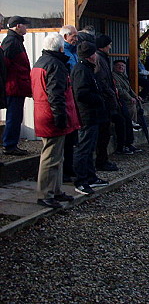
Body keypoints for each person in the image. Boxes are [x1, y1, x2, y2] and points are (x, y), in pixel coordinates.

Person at [31, 33, 80, 208]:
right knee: (51, 157)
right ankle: (45, 193)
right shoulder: (56, 65)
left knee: (56, 156)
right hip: (52, 116)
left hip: (43, 113)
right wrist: (61, 118)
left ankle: (56, 190)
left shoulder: (40, 62)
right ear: (60, 47)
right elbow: (56, 94)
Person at [71, 41, 109, 195]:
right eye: (93, 54)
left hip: (93, 114)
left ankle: (90, 177)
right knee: (84, 148)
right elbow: (81, 93)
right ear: (89, 56)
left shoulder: (87, 68)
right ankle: (80, 181)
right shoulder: (81, 70)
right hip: (86, 114)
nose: (96, 56)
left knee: (90, 147)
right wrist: (98, 98)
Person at [1, 16, 32, 156]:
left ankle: (11, 143)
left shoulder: (15, 41)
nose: (26, 28)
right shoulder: (12, 42)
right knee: (14, 117)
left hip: (17, 86)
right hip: (14, 87)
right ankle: (9, 145)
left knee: (15, 117)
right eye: (25, 25)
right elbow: (4, 64)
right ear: (18, 26)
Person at [93, 35, 121, 171]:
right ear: (103, 45)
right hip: (104, 102)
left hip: (106, 100)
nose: (110, 47)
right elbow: (101, 80)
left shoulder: (102, 58)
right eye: (109, 44)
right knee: (103, 134)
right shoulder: (99, 59)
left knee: (105, 133)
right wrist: (110, 93)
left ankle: (103, 159)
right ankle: (101, 161)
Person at [59, 24, 79, 181]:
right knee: (67, 137)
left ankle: (70, 167)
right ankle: (64, 171)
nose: (76, 39)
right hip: (68, 96)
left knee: (72, 135)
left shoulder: (74, 53)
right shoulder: (63, 54)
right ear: (65, 37)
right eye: (73, 36)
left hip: (74, 97)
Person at [112, 60, 143, 154]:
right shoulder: (114, 76)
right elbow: (120, 91)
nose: (121, 67)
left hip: (125, 100)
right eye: (119, 65)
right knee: (125, 121)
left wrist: (135, 96)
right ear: (114, 66)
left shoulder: (123, 76)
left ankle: (129, 143)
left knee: (129, 119)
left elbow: (129, 89)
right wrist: (130, 98)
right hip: (120, 101)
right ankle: (123, 145)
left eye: (123, 66)